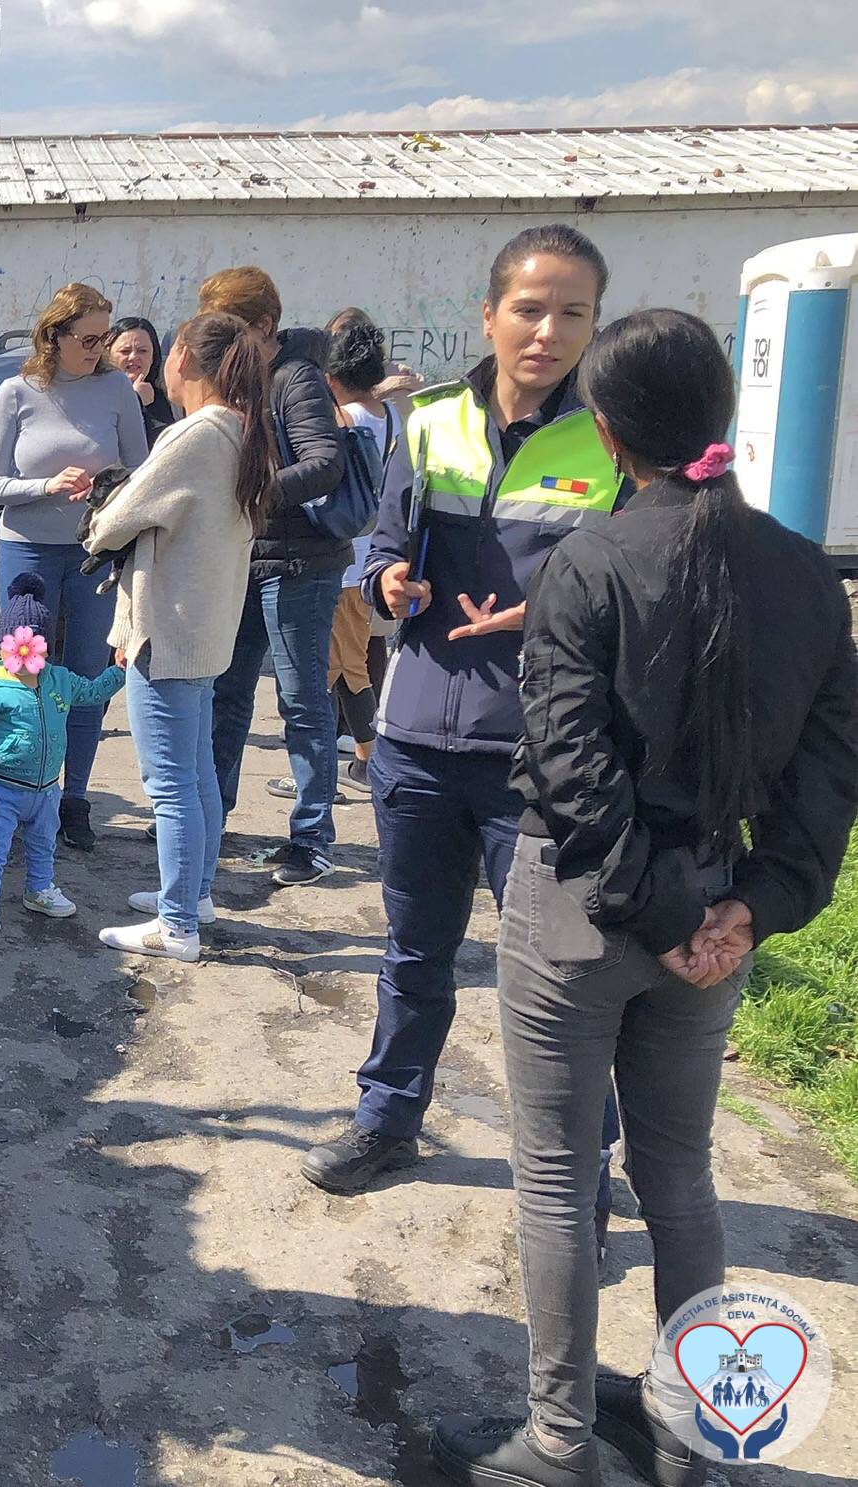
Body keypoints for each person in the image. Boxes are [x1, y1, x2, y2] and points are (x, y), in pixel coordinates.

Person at [430, 309, 858, 1487]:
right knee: (679, 1173)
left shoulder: (590, 561)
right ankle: (689, 1434)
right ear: (721, 413)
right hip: (714, 909)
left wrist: (663, 911)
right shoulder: (804, 573)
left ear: (606, 433)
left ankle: (556, 1439)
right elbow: (827, 775)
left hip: (583, 905)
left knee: (557, 1176)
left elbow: (566, 767)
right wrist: (747, 907)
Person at [302, 225, 625, 1198]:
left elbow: (641, 580)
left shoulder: (613, 438)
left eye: (571, 312)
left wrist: (557, 605)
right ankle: (385, 1121)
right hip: (415, 740)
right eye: (529, 308)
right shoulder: (432, 418)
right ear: (489, 315)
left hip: (543, 753)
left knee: (557, 974)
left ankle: (578, 1168)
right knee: (412, 953)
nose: (547, 330)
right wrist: (388, 579)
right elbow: (381, 542)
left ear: (592, 325)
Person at [85, 311, 273, 963]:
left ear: (184, 358)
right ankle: (193, 895)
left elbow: (116, 518)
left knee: (170, 786)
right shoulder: (241, 430)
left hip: (168, 630)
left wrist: (100, 511)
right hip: (205, 630)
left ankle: (177, 925)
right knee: (196, 776)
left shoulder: (193, 435)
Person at [0, 282, 151, 851]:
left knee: (86, 676)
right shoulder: (16, 391)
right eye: (88, 339)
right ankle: (10, 793)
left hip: (94, 554)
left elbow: (142, 475)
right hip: (26, 547)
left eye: (105, 337)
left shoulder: (116, 389)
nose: (100, 349)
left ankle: (73, 798)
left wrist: (107, 489)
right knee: (22, 675)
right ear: (54, 335)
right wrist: (45, 485)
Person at [197, 266, 350, 887]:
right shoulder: (243, 378)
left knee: (301, 700)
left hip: (300, 565)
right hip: (249, 557)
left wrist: (253, 494)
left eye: (235, 328)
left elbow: (325, 462)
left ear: (264, 324)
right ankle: (211, 816)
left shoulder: (295, 377)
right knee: (227, 694)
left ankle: (312, 838)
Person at [0, 573, 124, 935]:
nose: (24, 654)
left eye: (34, 645)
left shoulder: (59, 680)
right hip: (1, 790)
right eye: (15, 645)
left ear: (46, 647)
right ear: (1, 647)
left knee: (43, 843)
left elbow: (93, 692)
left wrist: (119, 671)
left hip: (47, 790)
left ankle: (39, 889)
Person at [288, 308, 409, 796]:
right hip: (367, 554)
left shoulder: (343, 418)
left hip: (339, 558)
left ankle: (352, 764)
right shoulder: (390, 415)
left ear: (331, 378)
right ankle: (350, 764)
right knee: (345, 662)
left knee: (333, 668)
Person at [110, 316, 177, 446]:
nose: (133, 357)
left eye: (142, 351)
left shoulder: (168, 398)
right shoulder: (98, 394)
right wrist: (136, 400)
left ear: (153, 357)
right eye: (125, 351)